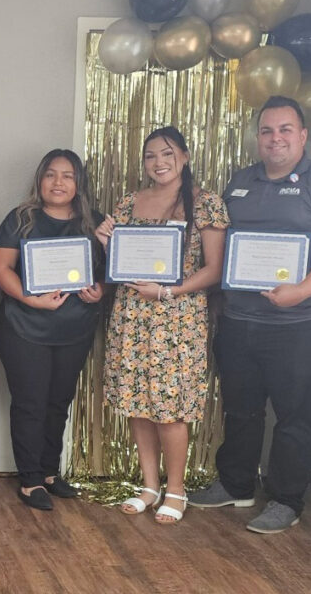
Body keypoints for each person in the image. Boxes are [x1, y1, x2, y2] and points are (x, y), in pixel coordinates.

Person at [188, 97, 311, 533]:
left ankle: (287, 499)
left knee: (295, 416)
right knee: (240, 409)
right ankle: (236, 484)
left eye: (285, 129)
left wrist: (301, 290)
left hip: (306, 325)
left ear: (303, 136)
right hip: (241, 322)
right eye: (267, 131)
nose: (276, 138)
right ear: (257, 138)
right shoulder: (240, 182)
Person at [96, 126, 229, 524]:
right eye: (151, 155)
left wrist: (169, 292)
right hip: (132, 316)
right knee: (138, 404)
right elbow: (119, 265)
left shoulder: (204, 204)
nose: (159, 162)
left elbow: (215, 269)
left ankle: (176, 489)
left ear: (184, 157)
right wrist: (107, 242)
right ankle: (149, 485)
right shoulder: (128, 203)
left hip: (178, 318)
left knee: (169, 408)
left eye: (167, 154)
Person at [0, 149, 104, 511]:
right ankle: (30, 480)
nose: (58, 182)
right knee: (30, 404)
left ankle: (50, 472)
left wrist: (101, 290)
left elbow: (110, 271)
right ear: (40, 179)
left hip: (75, 329)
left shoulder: (94, 222)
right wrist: (32, 299)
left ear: (78, 183)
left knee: (58, 403)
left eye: (67, 175)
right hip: (24, 327)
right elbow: (0, 268)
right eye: (51, 174)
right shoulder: (20, 218)